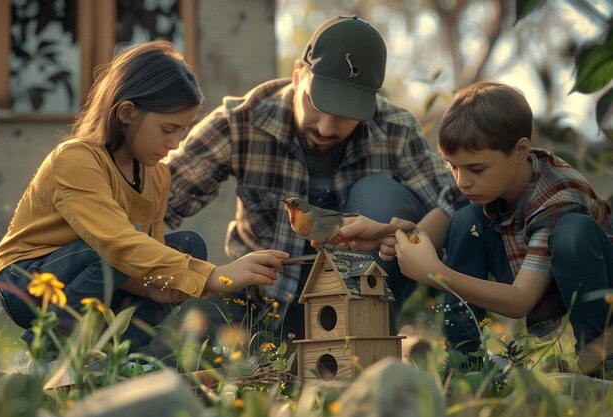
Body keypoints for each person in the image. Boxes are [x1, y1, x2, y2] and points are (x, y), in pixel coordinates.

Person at [164, 15, 457, 344]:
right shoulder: (242, 121)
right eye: (316, 105)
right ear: (297, 75)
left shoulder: (395, 129)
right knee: (183, 344)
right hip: (259, 301)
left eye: (346, 115)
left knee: (379, 195)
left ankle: (364, 341)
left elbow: (455, 205)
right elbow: (156, 197)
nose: (326, 128)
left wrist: (396, 235)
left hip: (359, 302)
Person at [0, 40, 288, 353]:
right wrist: (215, 276)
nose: (174, 143)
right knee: (115, 248)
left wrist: (154, 289)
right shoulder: (75, 159)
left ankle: (114, 358)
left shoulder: (157, 175)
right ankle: (44, 352)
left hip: (96, 267)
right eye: (167, 129)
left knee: (188, 246)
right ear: (127, 112)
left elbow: (145, 256)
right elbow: (117, 245)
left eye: (182, 131)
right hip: (25, 282)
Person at [329, 81, 613, 377]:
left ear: (520, 151)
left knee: (573, 232)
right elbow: (421, 236)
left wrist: (436, 274)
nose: (462, 181)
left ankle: (600, 364)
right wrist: (382, 234)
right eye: (453, 166)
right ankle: (465, 365)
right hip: (526, 268)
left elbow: (520, 300)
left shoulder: (558, 194)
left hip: (594, 282)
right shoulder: (477, 184)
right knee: (465, 220)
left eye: (476, 169)